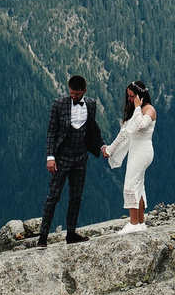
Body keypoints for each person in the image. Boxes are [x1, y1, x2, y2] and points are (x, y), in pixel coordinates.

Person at [39, 74, 105, 246]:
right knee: (53, 196)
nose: (74, 97)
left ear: (84, 91)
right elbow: (51, 132)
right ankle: (42, 237)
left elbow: (92, 129)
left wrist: (102, 145)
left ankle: (71, 233)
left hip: (81, 157)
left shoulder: (91, 104)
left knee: (76, 197)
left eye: (77, 94)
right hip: (61, 158)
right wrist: (50, 157)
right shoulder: (58, 104)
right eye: (72, 94)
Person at [103, 80, 157, 232]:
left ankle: (133, 224)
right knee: (138, 185)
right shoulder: (137, 110)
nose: (129, 99)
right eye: (128, 96)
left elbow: (141, 126)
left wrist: (138, 107)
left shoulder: (148, 110)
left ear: (140, 96)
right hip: (136, 150)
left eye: (132, 96)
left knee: (130, 185)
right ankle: (140, 222)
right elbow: (124, 134)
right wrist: (110, 149)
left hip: (143, 151)